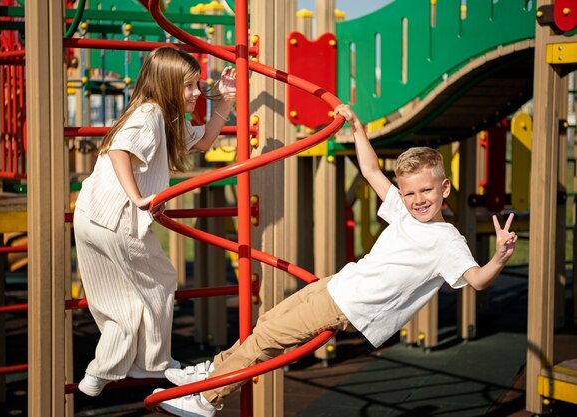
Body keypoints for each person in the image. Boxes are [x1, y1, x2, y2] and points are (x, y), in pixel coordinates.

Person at [154, 104, 518, 416]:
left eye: (426, 190)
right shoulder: (406, 212)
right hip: (341, 283)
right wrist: (357, 129)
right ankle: (212, 372)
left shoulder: (447, 240)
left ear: (444, 189)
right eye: (410, 193)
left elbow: (478, 280)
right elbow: (372, 171)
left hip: (352, 305)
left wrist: (499, 256)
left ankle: (208, 399)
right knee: (268, 319)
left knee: (269, 337)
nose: (418, 199)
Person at [73, 46, 236, 397]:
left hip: (89, 216)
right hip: (117, 219)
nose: (195, 93)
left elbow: (206, 141)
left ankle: (100, 372)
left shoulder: (164, 117)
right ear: (166, 85)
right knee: (161, 281)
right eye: (189, 86)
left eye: (197, 85)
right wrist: (138, 197)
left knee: (120, 299)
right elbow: (119, 149)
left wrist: (226, 100)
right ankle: (157, 364)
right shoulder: (149, 115)